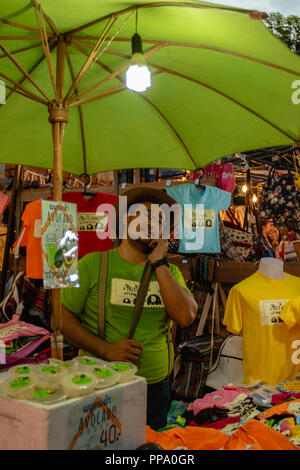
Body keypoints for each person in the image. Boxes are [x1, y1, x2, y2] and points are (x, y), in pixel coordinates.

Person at [61, 187, 198, 430]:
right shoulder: (92, 263)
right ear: (125, 220)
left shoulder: (169, 272)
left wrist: (160, 262)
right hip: (100, 384)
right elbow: (61, 318)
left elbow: (186, 316)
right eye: (143, 214)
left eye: (158, 219)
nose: (151, 222)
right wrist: (106, 350)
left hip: (155, 389)